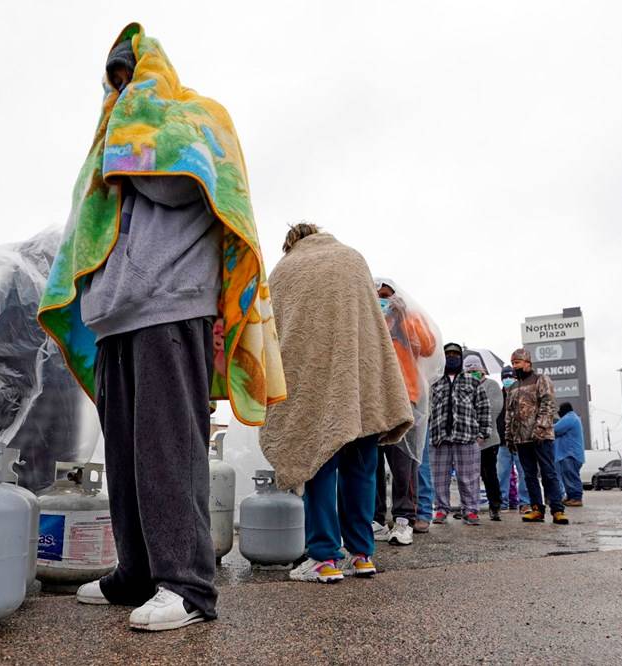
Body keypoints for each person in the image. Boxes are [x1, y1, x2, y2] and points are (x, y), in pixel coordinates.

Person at [39, 25, 286, 631]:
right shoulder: (115, 134)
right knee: (125, 454)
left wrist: (129, 138)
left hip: (172, 304)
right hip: (115, 314)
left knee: (168, 450)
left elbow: (183, 185)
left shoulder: (196, 116)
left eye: (130, 75)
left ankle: (188, 584)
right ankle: (137, 572)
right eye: (115, 81)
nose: (122, 89)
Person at [260, 224, 412, 582]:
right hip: (361, 383)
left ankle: (324, 557)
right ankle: (362, 555)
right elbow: (374, 327)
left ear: (291, 243)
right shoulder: (353, 259)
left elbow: (273, 328)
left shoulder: (285, 270)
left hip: (314, 385)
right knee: (362, 469)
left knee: (316, 464)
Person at [369, 278, 441, 545]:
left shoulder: (407, 321)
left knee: (403, 464)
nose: (383, 301)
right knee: (371, 464)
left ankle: (403, 519)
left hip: (404, 399)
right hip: (373, 401)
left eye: (387, 295)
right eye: (378, 296)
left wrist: (403, 316)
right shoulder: (368, 322)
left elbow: (428, 346)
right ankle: (376, 519)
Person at [428, 343, 491, 526]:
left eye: (455, 354)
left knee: (469, 477)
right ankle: (441, 509)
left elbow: (483, 407)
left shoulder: (472, 381)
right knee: (439, 478)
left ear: (461, 358)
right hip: (439, 438)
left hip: (467, 437)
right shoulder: (434, 381)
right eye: (448, 354)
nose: (452, 357)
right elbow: (427, 408)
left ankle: (470, 510)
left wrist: (483, 433)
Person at [505, 349, 568, 525]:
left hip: (541, 437)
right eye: (513, 363)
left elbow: (548, 404)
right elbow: (509, 413)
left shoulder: (541, 379)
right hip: (522, 439)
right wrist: (509, 436)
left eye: (517, 362)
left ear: (527, 363)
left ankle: (557, 510)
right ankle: (537, 509)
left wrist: (541, 427)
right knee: (529, 475)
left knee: (549, 473)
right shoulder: (513, 387)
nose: (515, 366)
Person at [464, 356, 504, 521]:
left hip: (488, 440)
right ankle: (469, 507)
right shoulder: (464, 387)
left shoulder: (491, 385)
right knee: (468, 477)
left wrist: (480, 431)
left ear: (481, 370)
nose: (472, 373)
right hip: (468, 440)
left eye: (475, 370)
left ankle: (495, 506)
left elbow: (494, 409)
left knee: (489, 474)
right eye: (468, 371)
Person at [496, 366, 531, 512]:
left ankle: (525, 502)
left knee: (524, 473)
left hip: (520, 441)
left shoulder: (522, 394)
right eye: (505, 377)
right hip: (502, 442)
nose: (507, 380)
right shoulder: (497, 396)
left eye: (510, 377)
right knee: (501, 474)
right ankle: (502, 502)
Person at [554, 402, 586, 507]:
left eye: (559, 410)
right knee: (568, 477)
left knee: (571, 476)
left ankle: (576, 498)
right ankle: (571, 497)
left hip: (570, 454)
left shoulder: (569, 418)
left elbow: (555, 429)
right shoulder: (572, 418)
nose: (558, 412)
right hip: (569, 454)